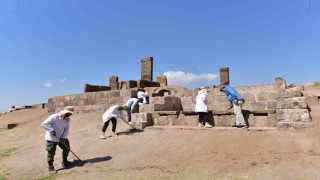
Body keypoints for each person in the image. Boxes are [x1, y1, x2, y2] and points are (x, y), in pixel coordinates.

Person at [41, 106, 74, 174]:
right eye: (70, 113)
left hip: (61, 136)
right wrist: (51, 130)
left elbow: (66, 128)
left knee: (66, 147)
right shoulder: (55, 116)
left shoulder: (67, 119)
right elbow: (44, 124)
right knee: (51, 152)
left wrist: (63, 138)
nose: (71, 114)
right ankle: (51, 166)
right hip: (52, 138)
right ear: (66, 112)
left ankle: (65, 161)